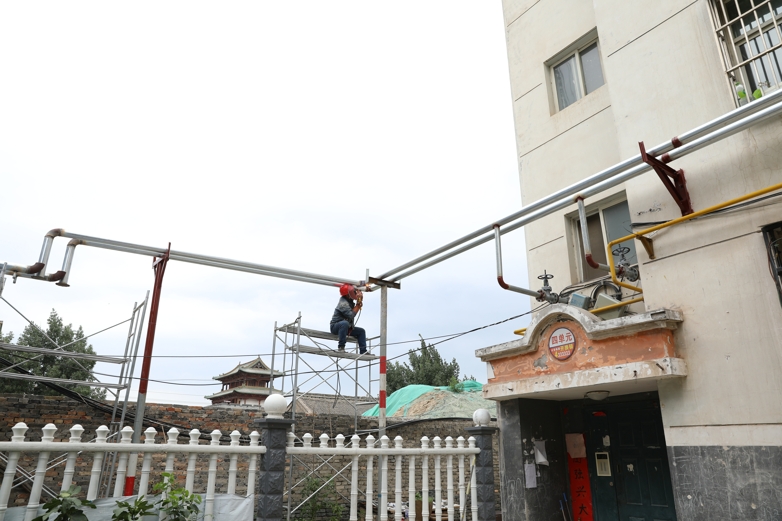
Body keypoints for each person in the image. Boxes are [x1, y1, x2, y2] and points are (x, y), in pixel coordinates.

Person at [330, 283, 367, 354]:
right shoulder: (343, 303)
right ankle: (341, 347)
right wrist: (358, 305)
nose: (355, 293)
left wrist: (359, 302)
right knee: (345, 323)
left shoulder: (349, 301)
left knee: (361, 331)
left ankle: (363, 351)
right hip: (336, 327)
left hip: (346, 327)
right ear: (348, 294)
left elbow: (354, 309)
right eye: (354, 292)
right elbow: (351, 315)